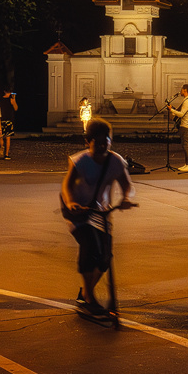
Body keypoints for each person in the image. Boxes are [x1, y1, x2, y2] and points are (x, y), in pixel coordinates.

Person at [63, 117, 136, 317]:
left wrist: (126, 198)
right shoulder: (80, 161)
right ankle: (89, 299)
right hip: (78, 210)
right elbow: (67, 186)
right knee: (90, 247)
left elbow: (126, 185)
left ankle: (85, 291)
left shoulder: (116, 161)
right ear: (87, 142)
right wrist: (70, 202)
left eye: (107, 141)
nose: (104, 146)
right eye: (98, 142)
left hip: (101, 212)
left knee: (104, 257)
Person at [166, 84, 188, 172]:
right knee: (184, 144)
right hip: (186, 124)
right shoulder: (187, 100)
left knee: (185, 145)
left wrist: (171, 110)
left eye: (181, 89)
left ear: (185, 90)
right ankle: (187, 164)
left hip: (186, 125)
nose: (180, 91)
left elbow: (182, 114)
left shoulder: (187, 101)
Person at [0, 91, 19, 160]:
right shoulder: (11, 100)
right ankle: (6, 154)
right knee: (8, 137)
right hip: (8, 120)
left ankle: (1, 146)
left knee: (0, 135)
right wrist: (14, 99)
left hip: (0, 119)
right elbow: (16, 108)